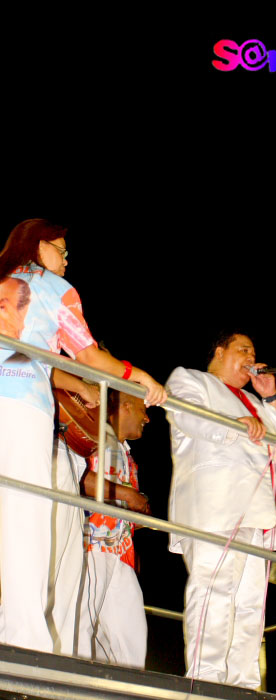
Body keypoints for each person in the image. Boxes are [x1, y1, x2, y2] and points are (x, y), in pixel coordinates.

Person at [0, 218, 166, 654]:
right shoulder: (52, 288)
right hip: (20, 405)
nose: (66, 259)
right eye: (62, 249)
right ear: (38, 247)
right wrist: (138, 376)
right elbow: (88, 355)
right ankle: (24, 641)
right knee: (27, 520)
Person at [166, 331, 276, 689]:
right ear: (219, 351)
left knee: (250, 601)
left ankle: (243, 681)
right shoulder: (191, 379)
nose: (251, 356)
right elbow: (187, 417)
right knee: (214, 588)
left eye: (254, 352)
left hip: (257, 512)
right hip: (215, 505)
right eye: (244, 350)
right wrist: (233, 426)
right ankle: (206, 679)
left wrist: (269, 395)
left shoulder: (254, 400)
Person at [75, 390, 151, 668]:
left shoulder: (127, 455)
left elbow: (123, 508)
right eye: (143, 409)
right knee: (80, 629)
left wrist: (138, 514)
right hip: (88, 548)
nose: (147, 418)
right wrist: (128, 495)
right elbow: (78, 479)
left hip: (120, 556)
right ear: (126, 406)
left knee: (130, 638)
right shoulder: (93, 436)